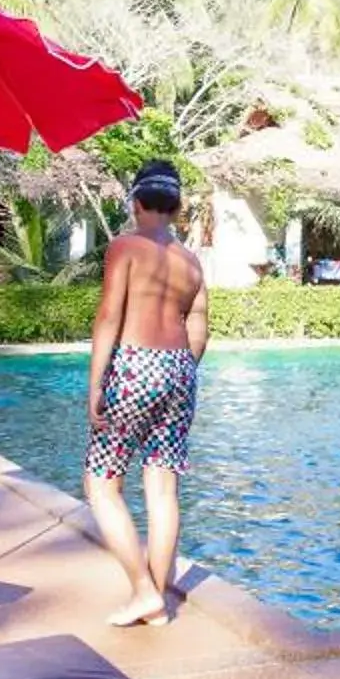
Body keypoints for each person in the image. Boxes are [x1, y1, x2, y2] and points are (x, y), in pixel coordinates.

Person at [85, 160, 210, 628]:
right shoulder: (190, 261)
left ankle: (143, 592)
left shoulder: (126, 247)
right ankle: (158, 598)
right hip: (180, 369)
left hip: (136, 363)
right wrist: (180, 370)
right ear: (176, 208)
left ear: (136, 203)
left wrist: (97, 382)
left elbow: (108, 318)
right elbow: (199, 326)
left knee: (102, 482)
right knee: (162, 487)